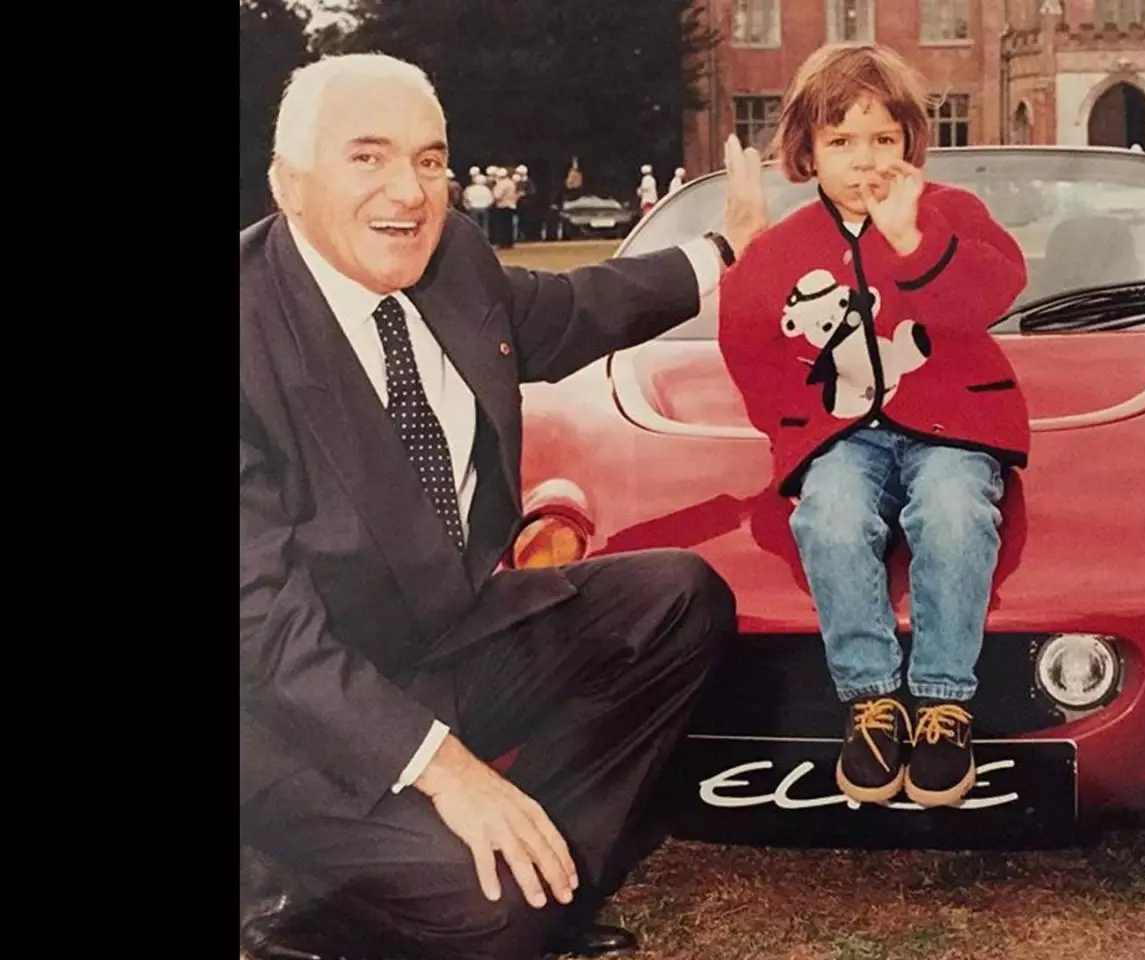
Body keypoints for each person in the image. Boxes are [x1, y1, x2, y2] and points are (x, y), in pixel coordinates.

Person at [240, 52, 768, 960]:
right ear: (290, 182)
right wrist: (447, 772)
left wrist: (723, 254)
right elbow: (261, 632)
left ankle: (540, 868)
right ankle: (294, 906)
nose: (409, 191)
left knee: (678, 597)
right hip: (292, 719)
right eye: (368, 157)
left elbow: (572, 309)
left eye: (430, 159)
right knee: (494, 918)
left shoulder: (453, 261)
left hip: (448, 646)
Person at [716, 43, 1029, 810]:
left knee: (954, 511)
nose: (864, 162)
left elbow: (996, 289)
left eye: (883, 140)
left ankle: (944, 702)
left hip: (952, 425)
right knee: (829, 512)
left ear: (911, 145)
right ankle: (872, 704)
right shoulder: (783, 246)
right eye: (841, 142)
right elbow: (749, 343)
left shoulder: (949, 213)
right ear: (807, 151)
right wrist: (793, 429)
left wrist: (910, 242)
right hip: (843, 433)